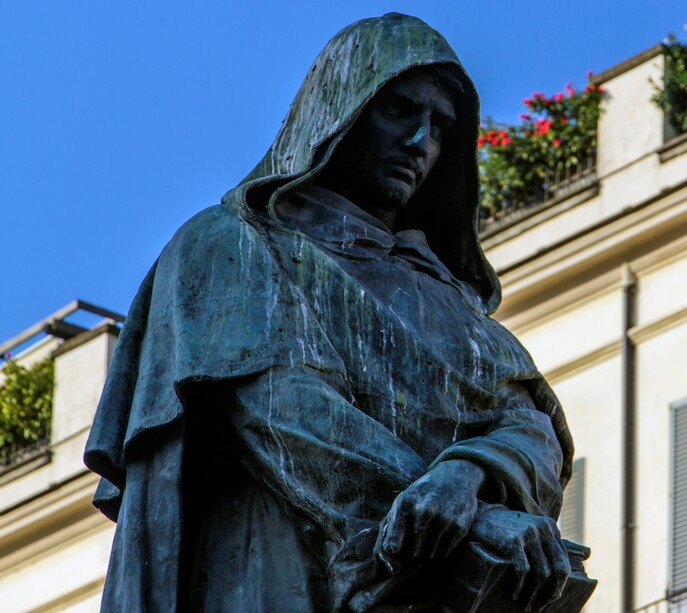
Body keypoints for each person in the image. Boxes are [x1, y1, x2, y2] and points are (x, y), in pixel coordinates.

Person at [85, 13, 580, 612]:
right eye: (398, 110)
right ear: (340, 111)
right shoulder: (230, 242)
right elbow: (282, 408)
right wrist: (458, 521)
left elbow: (529, 424)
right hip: (278, 572)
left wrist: (467, 477)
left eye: (440, 126)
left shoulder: (452, 299)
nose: (420, 143)